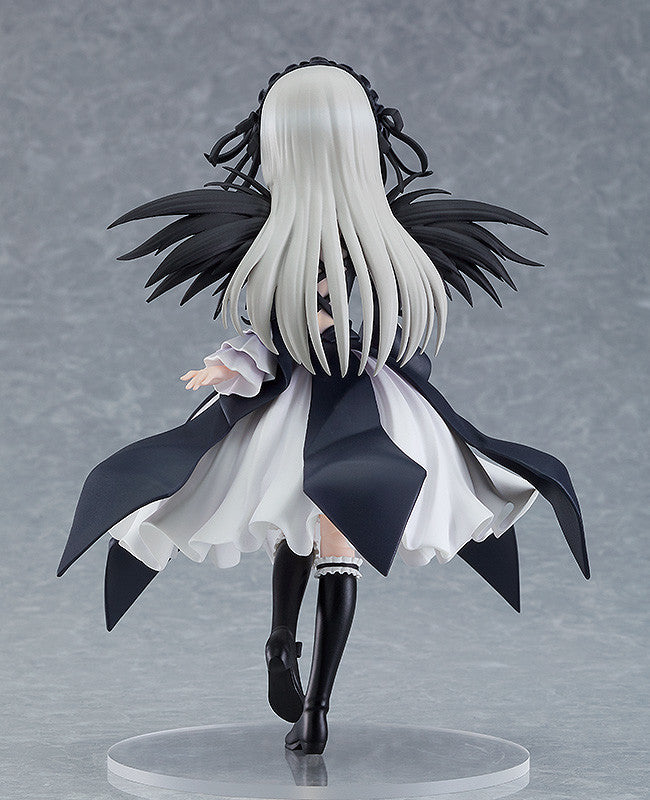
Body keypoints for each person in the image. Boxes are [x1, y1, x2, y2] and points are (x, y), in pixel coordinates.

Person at [58, 58, 589, 755]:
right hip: (344, 403)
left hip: (333, 398)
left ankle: (290, 656)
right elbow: (283, 330)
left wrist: (243, 360)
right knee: (324, 531)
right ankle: (309, 694)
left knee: (304, 523)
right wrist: (239, 361)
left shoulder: (331, 239)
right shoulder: (353, 242)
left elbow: (288, 330)